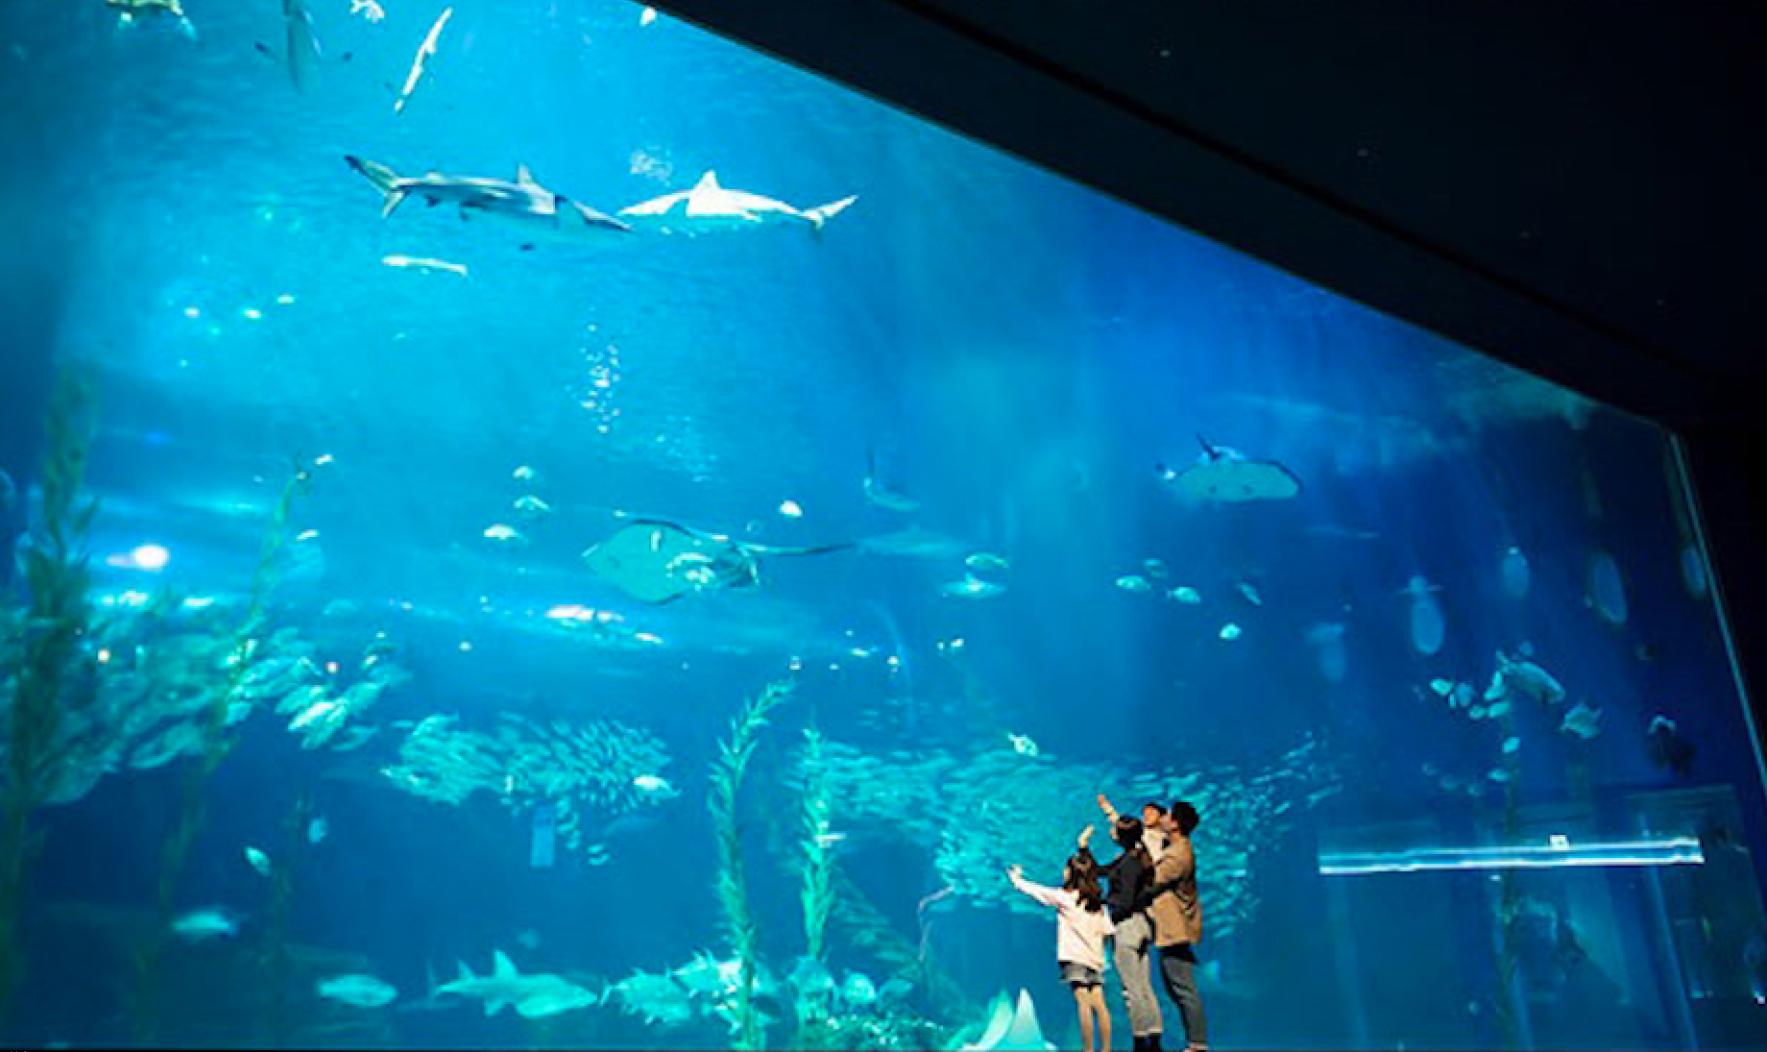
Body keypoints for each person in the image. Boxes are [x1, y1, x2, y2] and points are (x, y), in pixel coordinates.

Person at [1008, 825, 1117, 1052]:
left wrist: (1017, 879)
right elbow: (1108, 931)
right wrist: (1104, 959)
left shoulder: (1066, 898)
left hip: (1075, 958)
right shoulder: (1098, 904)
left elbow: (1038, 892)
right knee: (1100, 1004)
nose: (1064, 872)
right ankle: (1106, 1049)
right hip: (1096, 958)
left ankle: (1089, 1050)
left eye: (1067, 870)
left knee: (1083, 1004)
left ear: (1072, 874)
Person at [1094, 798, 1165, 1050]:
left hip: (1127, 926)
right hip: (1144, 924)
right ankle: (1155, 1038)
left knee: (1131, 989)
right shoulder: (1136, 857)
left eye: (1115, 831)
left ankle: (1139, 1040)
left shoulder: (1128, 864)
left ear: (1122, 837)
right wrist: (1083, 853)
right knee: (1144, 986)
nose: (1111, 833)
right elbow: (1103, 870)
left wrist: (1106, 912)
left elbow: (1123, 901)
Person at [1148, 801, 1208, 1051]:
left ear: (1175, 824)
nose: (1163, 817)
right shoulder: (1175, 847)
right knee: (1176, 988)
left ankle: (1197, 1044)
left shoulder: (1177, 855)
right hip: (1172, 929)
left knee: (1184, 989)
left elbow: (1152, 880)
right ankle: (1194, 1042)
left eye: (1168, 816)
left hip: (1175, 930)